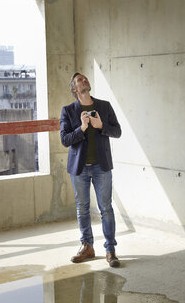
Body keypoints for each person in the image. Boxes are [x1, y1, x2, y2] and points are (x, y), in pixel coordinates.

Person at [60, 72, 122, 267]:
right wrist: (83, 127)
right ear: (74, 89)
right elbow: (65, 140)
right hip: (79, 168)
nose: (84, 81)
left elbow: (117, 131)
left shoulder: (104, 106)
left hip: (101, 167)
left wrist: (101, 125)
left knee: (106, 209)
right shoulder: (68, 111)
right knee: (83, 208)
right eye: (80, 80)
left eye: (85, 78)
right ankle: (87, 246)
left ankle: (110, 250)